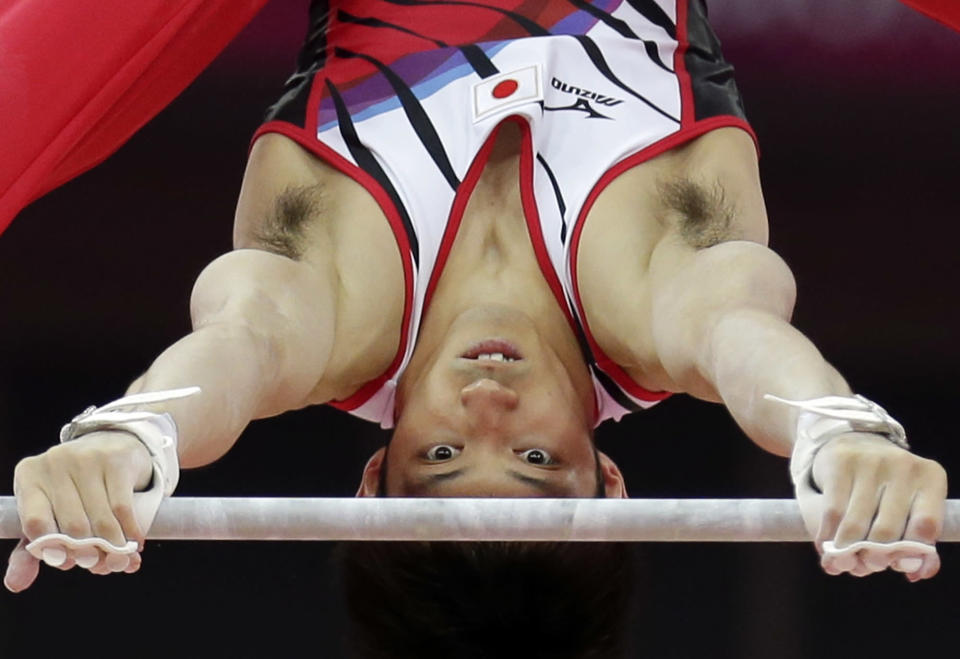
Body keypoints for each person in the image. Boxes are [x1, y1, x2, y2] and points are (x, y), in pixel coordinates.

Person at [3, 0, 948, 593]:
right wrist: (839, 429)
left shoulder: (330, 312)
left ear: (375, 478)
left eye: (445, 453)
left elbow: (237, 347)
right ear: (607, 484)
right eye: (536, 455)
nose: (488, 405)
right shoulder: (664, 304)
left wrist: (130, 437)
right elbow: (746, 340)